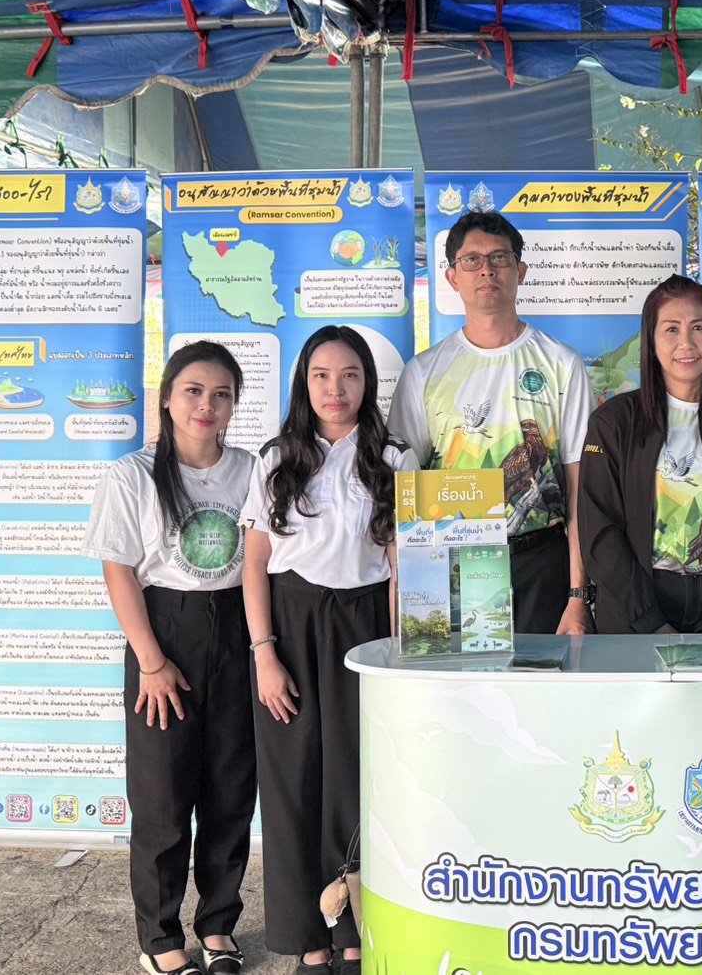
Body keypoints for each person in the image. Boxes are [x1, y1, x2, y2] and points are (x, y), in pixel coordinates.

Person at [242, 326, 417, 975]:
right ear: (303, 382)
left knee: (354, 776)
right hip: (288, 626)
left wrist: (400, 653)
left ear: (368, 383)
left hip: (366, 624)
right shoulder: (276, 458)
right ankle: (305, 938)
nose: (334, 389)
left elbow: (401, 565)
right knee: (291, 781)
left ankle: (352, 933)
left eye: (349, 375)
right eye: (321, 375)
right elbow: (254, 563)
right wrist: (264, 654)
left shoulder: (394, 458)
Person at [83, 341, 255, 975]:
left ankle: (218, 928)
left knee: (231, 789)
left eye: (221, 395)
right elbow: (119, 571)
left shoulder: (251, 470)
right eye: (193, 391)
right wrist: (152, 662)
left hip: (237, 628)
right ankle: (160, 939)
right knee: (162, 797)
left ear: (234, 405)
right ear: (167, 398)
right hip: (164, 632)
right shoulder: (131, 474)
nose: (207, 405)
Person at [387, 210, 594, 635]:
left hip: (543, 563)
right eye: (472, 260)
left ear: (521, 271)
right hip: (452, 562)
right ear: (451, 277)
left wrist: (578, 595)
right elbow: (405, 489)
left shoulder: (561, 364)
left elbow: (579, 488)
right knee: (460, 679)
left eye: (500, 258)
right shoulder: (424, 372)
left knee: (544, 675)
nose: (487, 270)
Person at [578, 275, 702, 633]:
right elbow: (600, 533)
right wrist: (651, 624)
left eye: (698, 327)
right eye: (671, 329)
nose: (686, 342)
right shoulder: (614, 422)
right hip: (635, 618)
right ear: (651, 341)